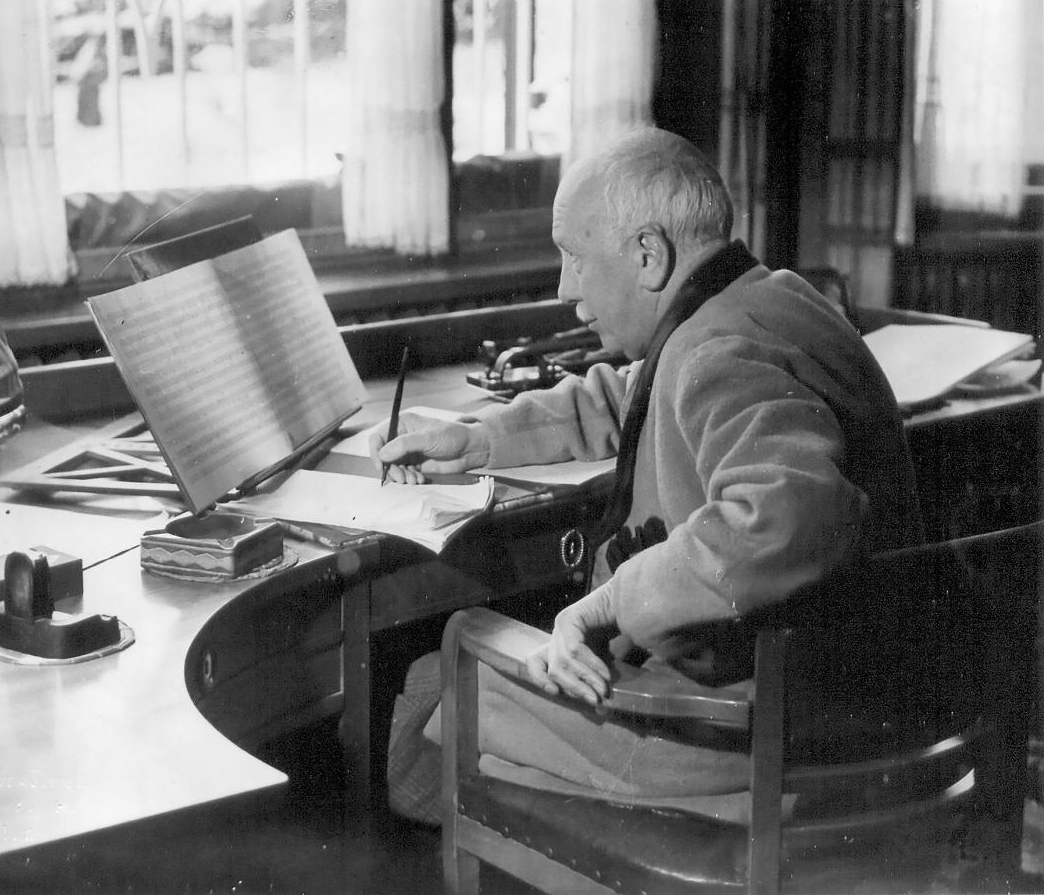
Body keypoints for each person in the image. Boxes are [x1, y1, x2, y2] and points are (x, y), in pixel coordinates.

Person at [372, 126, 924, 824]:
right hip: (854, 705)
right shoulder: (772, 300)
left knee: (431, 689)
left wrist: (608, 603)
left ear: (648, 255)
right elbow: (636, 393)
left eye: (573, 257)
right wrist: (480, 441)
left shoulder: (715, 349)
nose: (567, 287)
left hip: (764, 741)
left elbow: (788, 517)